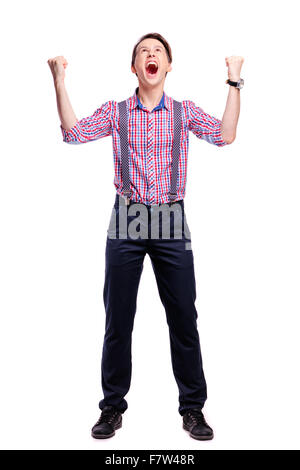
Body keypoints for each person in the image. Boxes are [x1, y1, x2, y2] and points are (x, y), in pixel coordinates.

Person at [47, 32, 244, 441]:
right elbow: (73, 133)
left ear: (168, 65)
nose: (150, 56)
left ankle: (193, 409)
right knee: (118, 319)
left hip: (171, 219)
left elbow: (225, 135)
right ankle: (111, 408)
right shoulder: (117, 112)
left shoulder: (183, 111)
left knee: (183, 318)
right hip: (128, 218)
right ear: (134, 67)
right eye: (143, 52)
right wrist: (59, 81)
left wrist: (234, 79)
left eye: (158, 52)